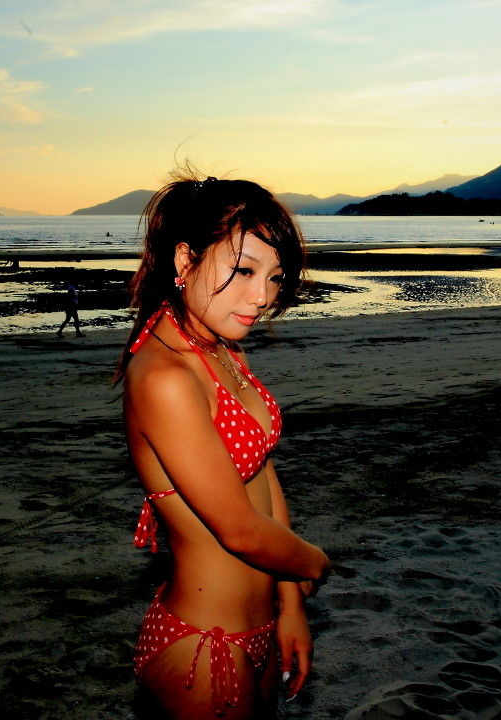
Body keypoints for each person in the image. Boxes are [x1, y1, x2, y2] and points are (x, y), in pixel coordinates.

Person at [115, 174, 331, 718]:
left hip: (260, 628)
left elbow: (262, 475)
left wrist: (289, 607)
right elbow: (239, 530)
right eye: (244, 271)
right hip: (206, 647)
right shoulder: (164, 377)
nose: (262, 297)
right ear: (184, 260)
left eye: (275, 277)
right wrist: (314, 562)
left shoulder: (222, 350)